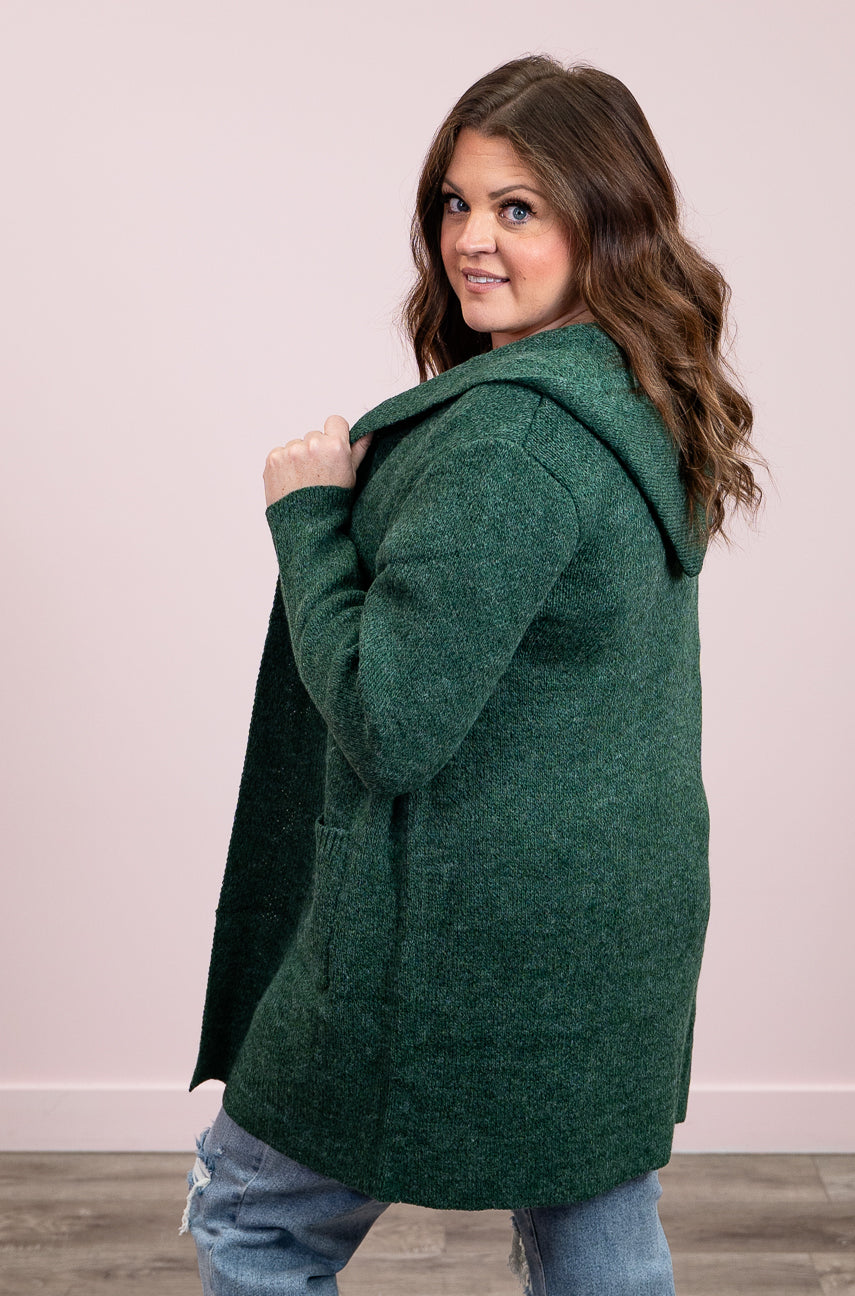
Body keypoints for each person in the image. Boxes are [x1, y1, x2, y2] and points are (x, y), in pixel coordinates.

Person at [180, 52, 761, 1296]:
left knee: (254, 1217)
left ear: (604, 223)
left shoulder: (512, 438)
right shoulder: (637, 392)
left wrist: (308, 519)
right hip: (603, 923)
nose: (470, 240)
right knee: (593, 1229)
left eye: (518, 207)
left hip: (463, 939)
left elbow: (388, 721)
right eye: (457, 202)